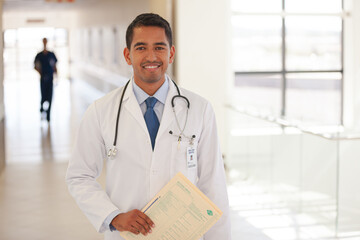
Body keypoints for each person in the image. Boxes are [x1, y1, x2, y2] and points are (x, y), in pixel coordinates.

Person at [66, 13, 231, 240]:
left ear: (171, 53)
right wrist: (113, 216)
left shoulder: (200, 109)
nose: (151, 56)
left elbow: (213, 184)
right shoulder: (101, 110)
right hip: (127, 235)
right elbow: (79, 175)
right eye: (141, 47)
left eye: (159, 48)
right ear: (127, 54)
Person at [34, 38, 57, 122]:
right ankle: (42, 108)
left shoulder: (51, 54)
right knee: (43, 96)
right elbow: (35, 66)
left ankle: (48, 115)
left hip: (50, 79)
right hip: (43, 79)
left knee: (50, 96)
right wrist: (40, 72)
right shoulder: (39, 55)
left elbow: (54, 66)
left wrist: (56, 77)